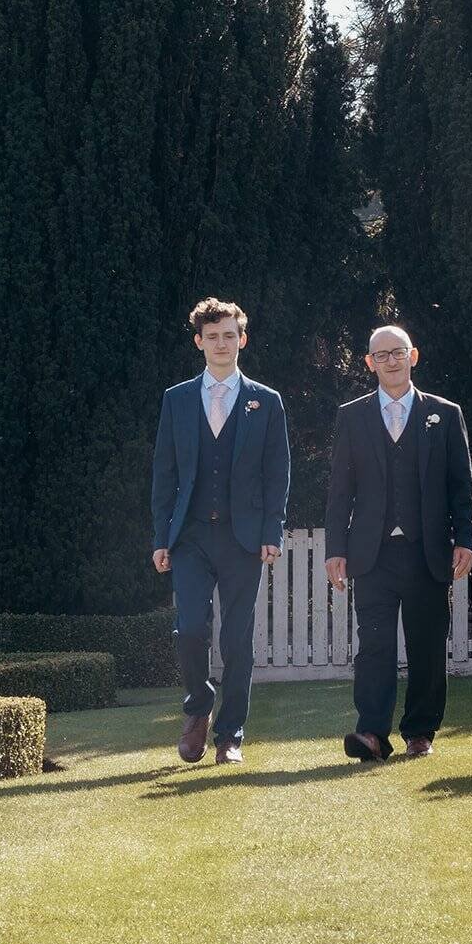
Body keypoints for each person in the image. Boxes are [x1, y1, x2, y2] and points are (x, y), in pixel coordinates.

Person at [325, 325, 472, 761]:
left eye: (398, 353)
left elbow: (460, 486)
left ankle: (420, 731)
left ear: (414, 356)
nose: (391, 361)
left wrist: (464, 539)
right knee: (374, 645)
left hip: (427, 551)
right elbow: (340, 490)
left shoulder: (445, 415)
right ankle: (372, 733)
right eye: (381, 355)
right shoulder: (351, 416)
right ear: (369, 363)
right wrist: (336, 548)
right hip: (370, 554)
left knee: (427, 643)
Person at [151, 298, 290, 766]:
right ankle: (198, 707)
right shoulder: (177, 399)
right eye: (212, 336)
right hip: (189, 537)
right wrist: (160, 538)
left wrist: (273, 530)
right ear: (199, 343)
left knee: (236, 640)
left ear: (242, 339)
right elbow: (164, 475)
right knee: (189, 629)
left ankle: (230, 735)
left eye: (229, 335)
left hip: (243, 538)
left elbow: (278, 473)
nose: (221, 343)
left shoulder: (266, 402)